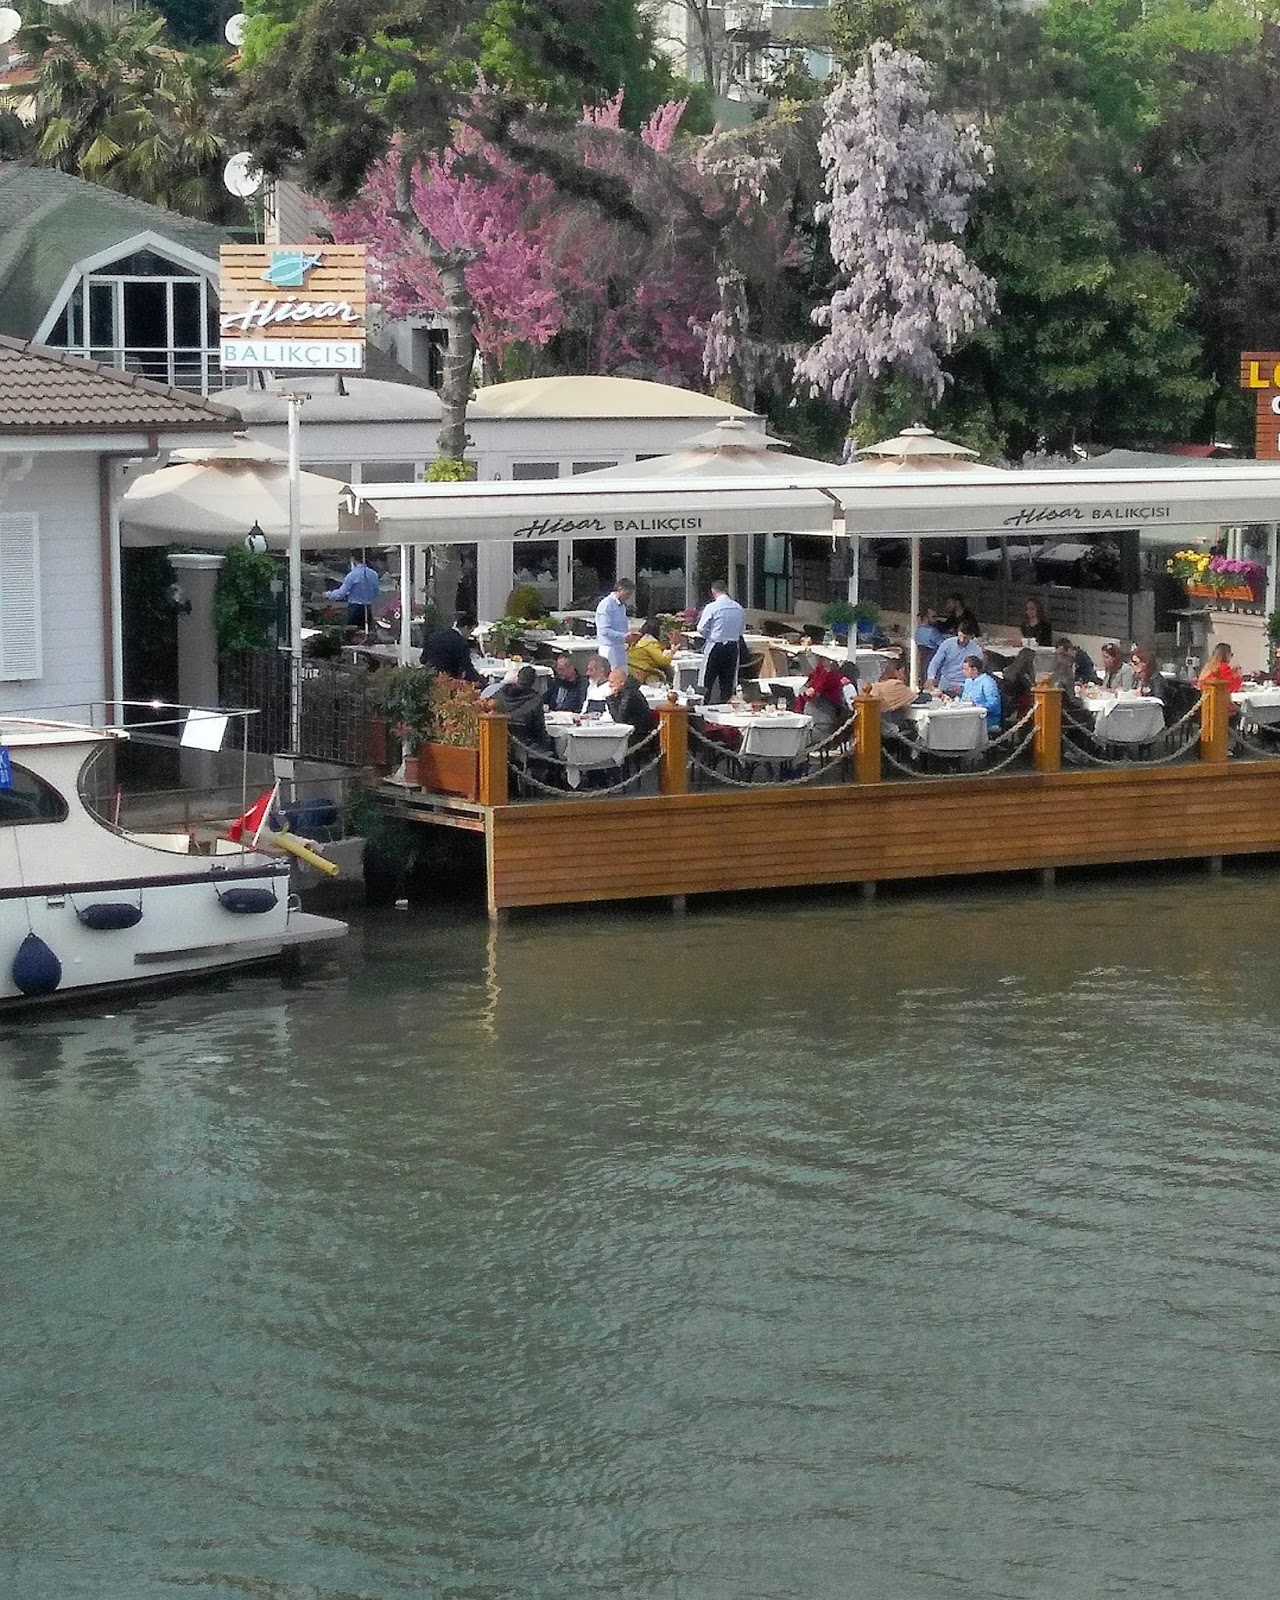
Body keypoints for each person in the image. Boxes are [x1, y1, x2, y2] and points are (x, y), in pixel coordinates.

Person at [695, 578, 747, 704]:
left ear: (713, 591)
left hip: (715, 645)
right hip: (732, 647)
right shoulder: (738, 608)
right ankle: (726, 707)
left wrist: (708, 635)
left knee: (706, 681)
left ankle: (703, 706)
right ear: (726, 590)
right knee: (728, 682)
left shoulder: (712, 607)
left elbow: (700, 628)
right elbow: (741, 630)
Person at [492, 665, 553, 751]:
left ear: (518, 678)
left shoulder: (501, 693)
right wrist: (547, 743)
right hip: (526, 744)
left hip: (500, 740)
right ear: (533, 682)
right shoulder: (535, 700)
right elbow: (539, 728)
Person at [795, 657, 852, 743]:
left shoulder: (831, 676)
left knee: (797, 739)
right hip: (811, 722)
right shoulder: (816, 674)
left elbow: (815, 691)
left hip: (823, 724)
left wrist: (810, 691)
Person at [420, 612, 483, 683]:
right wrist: (480, 681)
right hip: (447, 681)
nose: (469, 635)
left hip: (429, 678)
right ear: (465, 627)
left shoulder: (434, 635)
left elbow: (423, 659)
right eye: (471, 632)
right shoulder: (460, 642)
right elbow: (466, 667)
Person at [925, 621, 983, 695]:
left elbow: (978, 670)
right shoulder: (948, 643)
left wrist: (966, 686)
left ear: (971, 636)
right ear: (958, 632)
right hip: (946, 681)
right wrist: (931, 677)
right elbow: (935, 662)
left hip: (963, 684)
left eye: (965, 638)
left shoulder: (976, 649)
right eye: (961, 636)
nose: (962, 640)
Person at [326, 550, 381, 629]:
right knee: (367, 630)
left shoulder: (352, 575)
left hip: (355, 608)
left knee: (352, 630)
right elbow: (376, 593)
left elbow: (341, 593)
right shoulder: (374, 574)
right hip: (369, 608)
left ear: (353, 559)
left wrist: (329, 594)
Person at [594, 578, 635, 670]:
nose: (628, 597)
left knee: (622, 674)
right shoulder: (606, 605)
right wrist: (624, 636)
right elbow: (604, 630)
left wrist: (628, 635)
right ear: (620, 590)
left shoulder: (622, 605)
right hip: (609, 648)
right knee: (611, 675)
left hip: (620, 647)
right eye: (627, 593)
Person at [605, 668, 656, 741]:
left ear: (622, 682)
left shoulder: (630, 695)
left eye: (612, 682)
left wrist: (611, 699)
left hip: (639, 735)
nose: (609, 685)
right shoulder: (626, 691)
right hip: (634, 732)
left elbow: (619, 719)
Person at [868, 659, 916, 732]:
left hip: (878, 724)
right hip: (892, 725)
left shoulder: (877, 684)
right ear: (896, 671)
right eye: (903, 672)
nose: (904, 676)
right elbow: (914, 698)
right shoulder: (895, 685)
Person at [960, 654, 1002, 731]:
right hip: (968, 717)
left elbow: (994, 705)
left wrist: (977, 706)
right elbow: (964, 700)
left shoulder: (987, 682)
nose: (963, 672)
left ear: (974, 670)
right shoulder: (968, 681)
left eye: (966, 669)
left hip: (986, 720)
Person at [999, 647, 1039, 725]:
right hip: (1019, 706)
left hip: (1008, 705)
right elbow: (1031, 689)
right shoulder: (1023, 676)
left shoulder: (1009, 671)